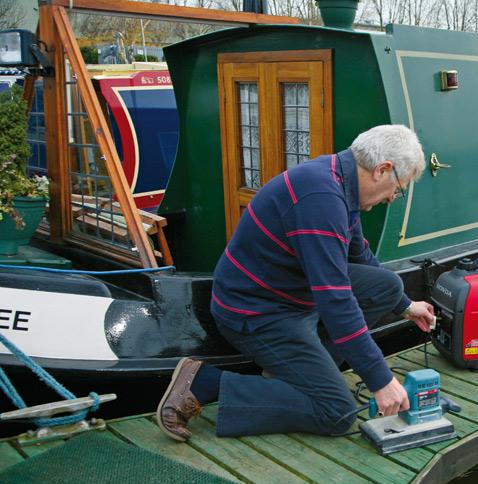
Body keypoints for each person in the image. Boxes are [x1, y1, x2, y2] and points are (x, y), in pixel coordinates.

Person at [156, 124, 435, 441]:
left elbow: (359, 257)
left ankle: (302, 373)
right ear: (382, 170)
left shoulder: (338, 180)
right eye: (396, 189)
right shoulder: (321, 198)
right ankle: (204, 382)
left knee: (387, 286)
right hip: (256, 312)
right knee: (336, 412)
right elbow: (335, 300)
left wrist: (406, 306)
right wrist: (380, 380)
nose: (391, 197)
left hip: (286, 295)